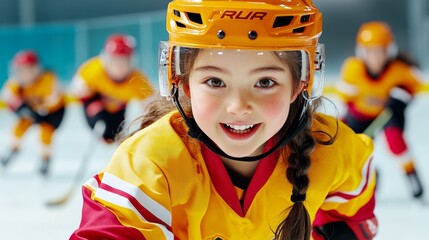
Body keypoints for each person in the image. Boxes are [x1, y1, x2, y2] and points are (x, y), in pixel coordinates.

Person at [71, 1, 378, 239]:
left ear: (300, 85)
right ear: (186, 85)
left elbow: (350, 217)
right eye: (216, 82)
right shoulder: (151, 162)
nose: (238, 107)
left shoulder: (334, 150)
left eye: (265, 82)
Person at [337, 21, 424, 199]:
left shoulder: (400, 70)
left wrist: (401, 97)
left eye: (380, 51)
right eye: (370, 51)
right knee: (353, 148)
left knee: (395, 142)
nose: (375, 57)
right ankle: (370, 175)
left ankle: (411, 174)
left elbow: (414, 85)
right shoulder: (352, 68)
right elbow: (346, 97)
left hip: (388, 114)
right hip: (361, 114)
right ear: (361, 52)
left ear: (389, 50)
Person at [71, 34, 154, 143]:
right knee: (100, 126)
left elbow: (151, 107)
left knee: (115, 137)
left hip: (118, 109)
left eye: (124, 61)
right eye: (115, 61)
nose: (119, 67)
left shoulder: (138, 81)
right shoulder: (93, 70)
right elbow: (77, 91)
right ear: (106, 59)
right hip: (97, 103)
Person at [1, 50, 66, 175]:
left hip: (51, 114)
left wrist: (39, 107)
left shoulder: (48, 79)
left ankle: (45, 158)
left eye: (27, 70)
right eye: (20, 70)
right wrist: (19, 106)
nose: (23, 74)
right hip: (32, 111)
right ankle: (12, 148)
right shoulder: (16, 82)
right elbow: (7, 94)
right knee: (19, 128)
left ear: (35, 69)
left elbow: (54, 99)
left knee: (45, 134)